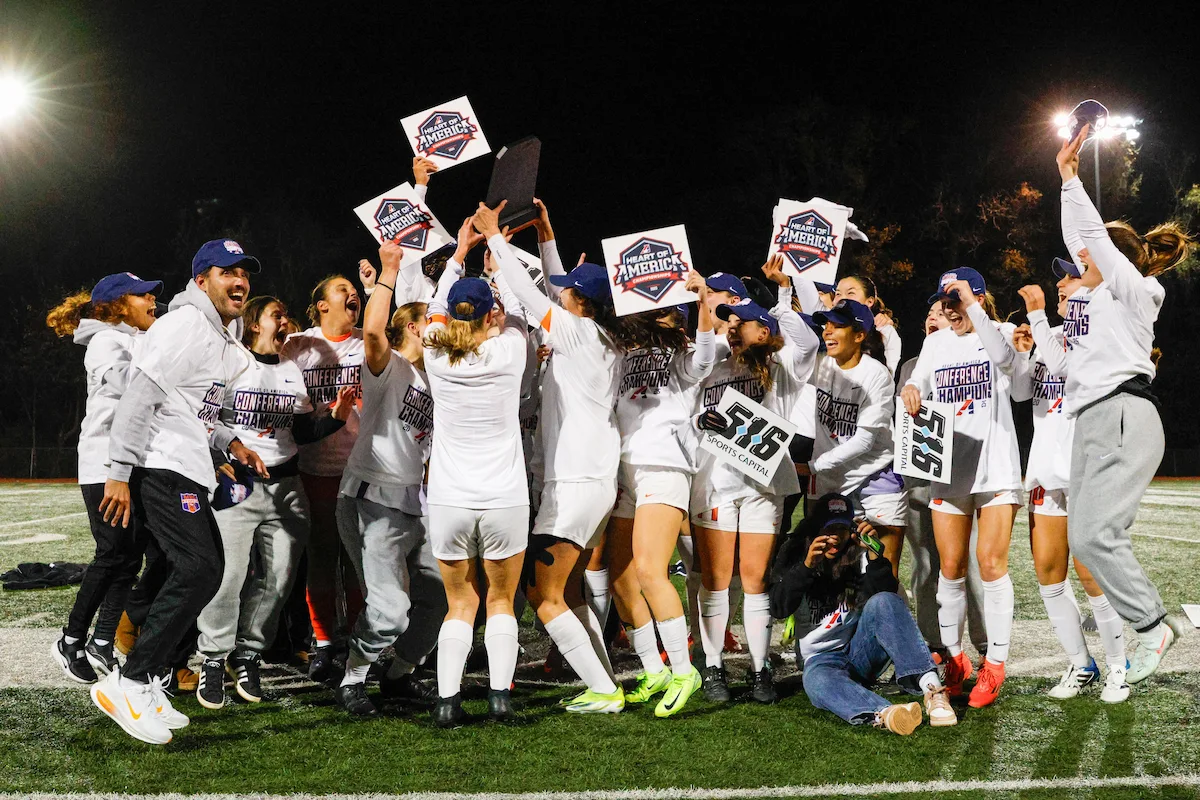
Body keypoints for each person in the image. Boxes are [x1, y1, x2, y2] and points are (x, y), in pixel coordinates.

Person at [90, 239, 267, 745]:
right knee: (200, 568)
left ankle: (144, 678)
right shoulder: (187, 324)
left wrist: (229, 446)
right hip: (160, 465)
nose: (240, 281)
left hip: (187, 467)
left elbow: (192, 410)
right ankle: (132, 679)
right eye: (227, 271)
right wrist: (119, 472)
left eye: (244, 274)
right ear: (202, 278)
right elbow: (141, 394)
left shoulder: (216, 334)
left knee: (203, 571)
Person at [1048, 125, 1192, 684]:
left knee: (1091, 537)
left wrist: (1070, 175)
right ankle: (1148, 626)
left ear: (1116, 260)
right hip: (1091, 420)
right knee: (1085, 538)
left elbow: (1096, 242)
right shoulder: (1087, 296)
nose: (1077, 260)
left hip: (1124, 414)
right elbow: (1078, 235)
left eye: (1088, 255)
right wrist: (1065, 186)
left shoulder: (1135, 292)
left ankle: (1152, 626)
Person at [484, 199, 631, 714]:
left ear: (580, 300)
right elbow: (551, 285)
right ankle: (606, 680)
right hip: (590, 481)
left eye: (568, 288)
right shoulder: (596, 332)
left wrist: (494, 239)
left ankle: (605, 689)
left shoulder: (579, 331)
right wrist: (547, 234)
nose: (559, 289)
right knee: (566, 592)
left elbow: (530, 291)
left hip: (574, 482)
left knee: (542, 594)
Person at [194, 296, 355, 710]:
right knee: (229, 577)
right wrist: (223, 454)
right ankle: (212, 658)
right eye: (276, 314)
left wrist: (335, 417)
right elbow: (205, 419)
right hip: (239, 485)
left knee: (280, 579)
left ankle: (247, 653)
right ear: (253, 324)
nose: (286, 320)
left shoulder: (289, 370)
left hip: (287, 486)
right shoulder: (233, 362)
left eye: (286, 312)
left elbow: (300, 431)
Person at [691, 254, 820, 703]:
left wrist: (782, 295)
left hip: (764, 486)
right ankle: (712, 669)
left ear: (763, 331)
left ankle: (761, 669)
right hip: (714, 483)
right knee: (716, 578)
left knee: (754, 578)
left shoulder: (782, 369)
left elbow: (808, 343)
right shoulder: (709, 362)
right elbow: (687, 415)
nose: (731, 325)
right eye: (727, 320)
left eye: (740, 321)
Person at [333, 237, 448, 718]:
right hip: (368, 499)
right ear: (413, 327)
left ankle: (398, 675)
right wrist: (387, 273)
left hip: (410, 505)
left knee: (440, 599)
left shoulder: (434, 379)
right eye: (432, 323)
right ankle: (353, 678)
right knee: (390, 610)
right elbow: (375, 330)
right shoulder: (390, 365)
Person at [901, 267, 1025, 709]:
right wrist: (912, 389)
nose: (950, 308)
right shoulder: (935, 342)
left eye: (956, 298)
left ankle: (995, 663)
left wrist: (973, 307)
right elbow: (921, 381)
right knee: (949, 567)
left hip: (994, 467)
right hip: (949, 467)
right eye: (945, 299)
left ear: (978, 295)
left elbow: (1015, 373)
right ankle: (955, 661)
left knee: (991, 564)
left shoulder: (1003, 330)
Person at [423, 220, 530, 726]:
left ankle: (447, 702)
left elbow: (435, 310)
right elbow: (519, 313)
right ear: (492, 315)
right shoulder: (510, 350)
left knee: (459, 603)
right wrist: (498, 259)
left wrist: (458, 254)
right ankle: (499, 698)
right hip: (505, 495)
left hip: (448, 499)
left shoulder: (434, 350)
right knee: (502, 599)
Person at [1016, 267, 1128, 703]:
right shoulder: (1052, 336)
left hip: (1086, 470)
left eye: (1072, 278)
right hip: (1047, 470)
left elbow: (1068, 365)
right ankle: (1081, 664)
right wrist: (1024, 354)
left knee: (1092, 575)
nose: (1061, 284)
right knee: (1049, 574)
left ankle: (1119, 665)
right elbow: (1024, 394)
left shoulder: (1100, 333)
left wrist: (1040, 318)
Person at [606, 274, 714, 716]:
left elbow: (706, 358)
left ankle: (685, 670)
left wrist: (704, 298)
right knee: (621, 577)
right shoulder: (625, 351)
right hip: (627, 467)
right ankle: (654, 669)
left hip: (665, 465)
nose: (658, 313)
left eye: (668, 310)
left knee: (651, 571)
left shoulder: (683, 357)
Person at [47, 273, 161, 683]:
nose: (152, 299)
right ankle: (72, 638)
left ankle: (101, 640)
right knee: (113, 553)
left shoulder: (135, 338)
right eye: (142, 294)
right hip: (102, 463)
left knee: (130, 558)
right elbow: (133, 386)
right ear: (116, 304)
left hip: (131, 462)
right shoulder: (104, 342)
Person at [769, 493, 956, 733]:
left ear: (851, 530)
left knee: (885, 600)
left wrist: (876, 558)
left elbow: (887, 605)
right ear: (815, 529)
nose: (835, 538)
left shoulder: (859, 554)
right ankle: (888, 713)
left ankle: (932, 690)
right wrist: (806, 568)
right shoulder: (795, 553)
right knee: (816, 682)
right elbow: (778, 608)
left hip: (860, 650)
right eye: (828, 530)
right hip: (820, 659)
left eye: (841, 529)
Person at [282, 271, 366, 681]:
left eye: (354, 289)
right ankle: (323, 642)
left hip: (361, 470)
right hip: (314, 467)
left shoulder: (370, 344)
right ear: (321, 305)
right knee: (320, 557)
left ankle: (354, 639)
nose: (352, 293)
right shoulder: (298, 346)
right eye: (342, 289)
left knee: (356, 562)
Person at [896, 301, 987, 656]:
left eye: (942, 313)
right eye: (929, 313)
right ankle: (933, 643)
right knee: (926, 565)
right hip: (920, 476)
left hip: (960, 475)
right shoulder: (909, 367)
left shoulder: (970, 357)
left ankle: (983, 642)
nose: (934, 318)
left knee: (968, 563)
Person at [805, 297, 906, 571]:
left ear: (859, 335)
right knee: (831, 572)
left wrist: (814, 466)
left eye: (837, 326)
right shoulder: (819, 364)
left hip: (875, 478)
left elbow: (864, 440)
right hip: (831, 480)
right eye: (826, 324)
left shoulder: (877, 375)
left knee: (882, 570)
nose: (827, 331)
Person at [831, 275, 901, 377]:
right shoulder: (826, 326)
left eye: (850, 293)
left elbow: (886, 378)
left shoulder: (885, 331)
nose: (842, 298)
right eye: (838, 294)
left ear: (869, 301)